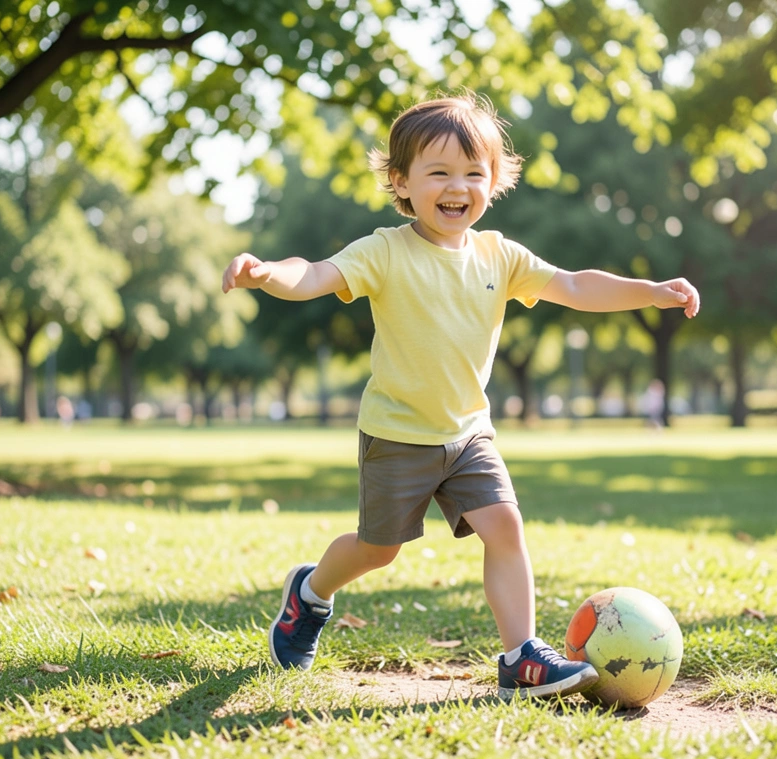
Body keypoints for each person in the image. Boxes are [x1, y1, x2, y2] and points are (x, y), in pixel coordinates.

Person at [221, 91, 700, 701]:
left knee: (505, 526)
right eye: (439, 171)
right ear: (401, 181)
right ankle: (310, 593)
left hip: (468, 432)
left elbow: (577, 285)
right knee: (378, 550)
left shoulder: (500, 254)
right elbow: (313, 274)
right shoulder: (385, 251)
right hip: (397, 432)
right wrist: (267, 273)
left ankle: (519, 657)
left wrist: (652, 290)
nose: (458, 186)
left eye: (474, 172)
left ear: (494, 181)